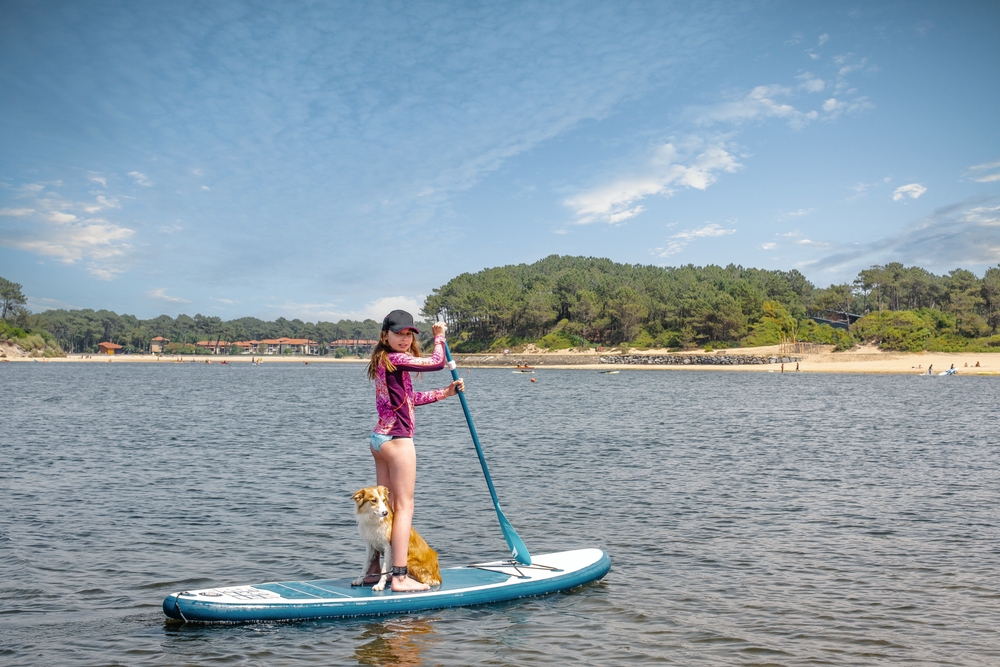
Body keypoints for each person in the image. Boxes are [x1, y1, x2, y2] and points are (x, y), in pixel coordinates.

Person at [364, 310, 463, 592]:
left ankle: (374, 570)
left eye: (408, 334)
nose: (405, 339)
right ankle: (399, 576)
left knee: (384, 511)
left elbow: (410, 399)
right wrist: (440, 336)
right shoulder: (395, 358)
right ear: (385, 336)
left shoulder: (384, 361)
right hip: (397, 441)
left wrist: (444, 393)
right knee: (404, 507)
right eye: (399, 334)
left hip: (378, 439)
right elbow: (437, 362)